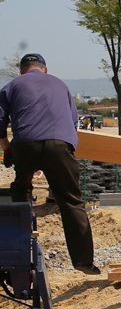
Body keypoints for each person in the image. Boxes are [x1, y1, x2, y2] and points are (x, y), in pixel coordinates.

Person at [0, 53, 99, 274]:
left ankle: (19, 254)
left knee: (21, 191)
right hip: (60, 144)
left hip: (26, 144)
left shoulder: (11, 85)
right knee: (71, 200)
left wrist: (8, 149)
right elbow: (73, 123)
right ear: (45, 69)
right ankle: (84, 261)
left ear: (21, 69)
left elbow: (0, 123)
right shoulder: (61, 85)